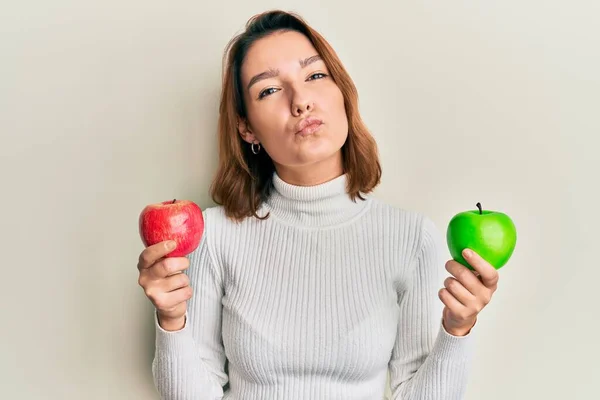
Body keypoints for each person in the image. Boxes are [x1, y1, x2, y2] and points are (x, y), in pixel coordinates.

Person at [136, 9, 500, 400]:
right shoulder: (215, 235)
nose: (301, 101)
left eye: (314, 76)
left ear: (342, 92)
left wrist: (457, 328)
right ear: (246, 128)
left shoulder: (412, 237)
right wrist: (171, 320)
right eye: (269, 90)